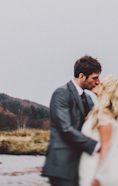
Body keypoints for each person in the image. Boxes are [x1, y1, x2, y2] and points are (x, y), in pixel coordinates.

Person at [42, 55, 102, 186]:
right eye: (95, 78)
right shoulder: (61, 94)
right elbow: (66, 129)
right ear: (82, 76)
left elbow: (96, 123)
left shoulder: (89, 99)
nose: (98, 82)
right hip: (62, 166)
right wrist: (96, 146)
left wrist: (100, 97)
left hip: (80, 165)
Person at [78, 75, 118, 186]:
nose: (98, 83)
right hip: (88, 165)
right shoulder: (102, 111)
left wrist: (97, 178)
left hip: (93, 170)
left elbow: (106, 148)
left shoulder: (105, 116)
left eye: (101, 83)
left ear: (107, 89)